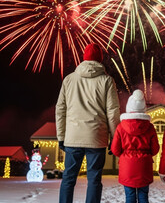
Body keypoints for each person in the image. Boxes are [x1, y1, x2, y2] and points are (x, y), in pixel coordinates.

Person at [56, 43, 120, 203]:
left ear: (83, 58)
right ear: (100, 60)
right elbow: (112, 111)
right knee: (94, 180)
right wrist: (115, 138)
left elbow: (60, 109)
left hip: (73, 137)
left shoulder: (69, 79)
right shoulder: (107, 80)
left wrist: (61, 136)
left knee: (68, 179)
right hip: (96, 137)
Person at [111, 90, 159, 203]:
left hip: (127, 167)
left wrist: (124, 156)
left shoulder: (121, 127)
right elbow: (155, 149)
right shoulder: (150, 127)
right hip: (144, 166)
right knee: (143, 196)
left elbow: (115, 149)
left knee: (130, 196)